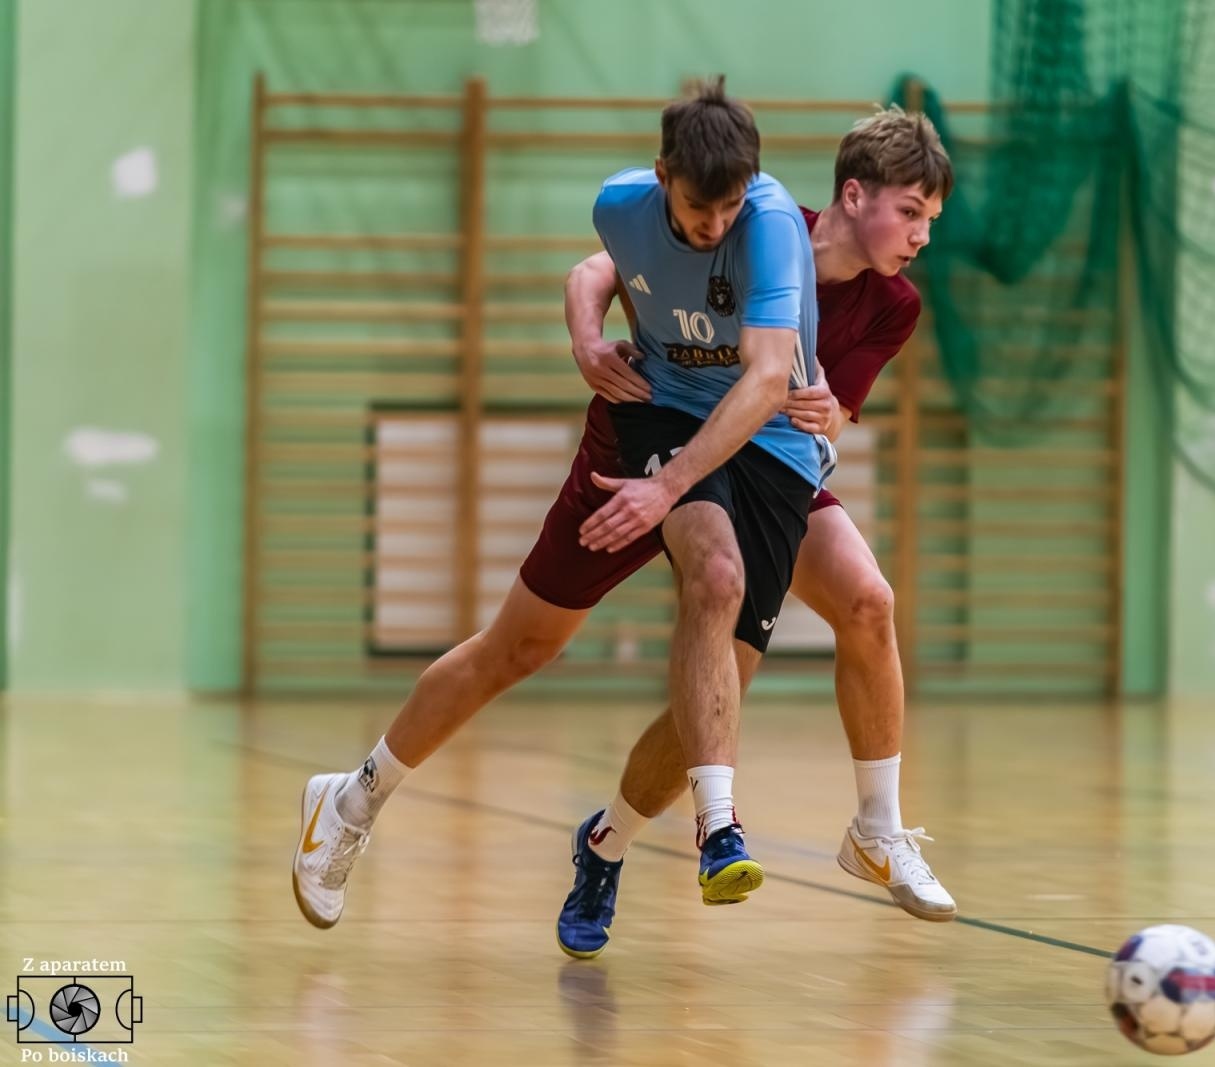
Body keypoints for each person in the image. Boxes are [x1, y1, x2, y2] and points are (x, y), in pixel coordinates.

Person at [293, 75, 826, 929]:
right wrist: (585, 339)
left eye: (728, 208)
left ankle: (611, 840)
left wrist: (669, 485)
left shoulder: (767, 225)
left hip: (759, 447)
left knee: (724, 665)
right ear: (662, 176)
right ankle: (352, 798)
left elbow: (767, 379)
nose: (713, 226)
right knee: (521, 645)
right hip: (649, 412)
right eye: (697, 208)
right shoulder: (622, 204)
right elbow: (595, 272)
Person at [556, 106, 955, 958]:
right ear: (853, 195)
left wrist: (826, 411)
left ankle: (875, 828)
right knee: (712, 662)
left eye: (931, 221)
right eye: (913, 213)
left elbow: (834, 413)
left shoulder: (895, 305)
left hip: (778, 471)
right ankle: (626, 843)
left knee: (867, 604)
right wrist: (590, 338)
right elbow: (601, 266)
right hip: (690, 447)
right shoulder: (757, 223)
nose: (923, 236)